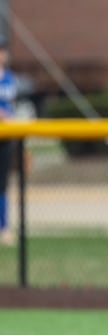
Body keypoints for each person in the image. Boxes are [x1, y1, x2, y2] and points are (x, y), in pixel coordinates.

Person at [0, 36, 17, 246]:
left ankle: (4, 226)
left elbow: (11, 108)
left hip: (5, 137)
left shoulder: (10, 78)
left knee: (2, 185)